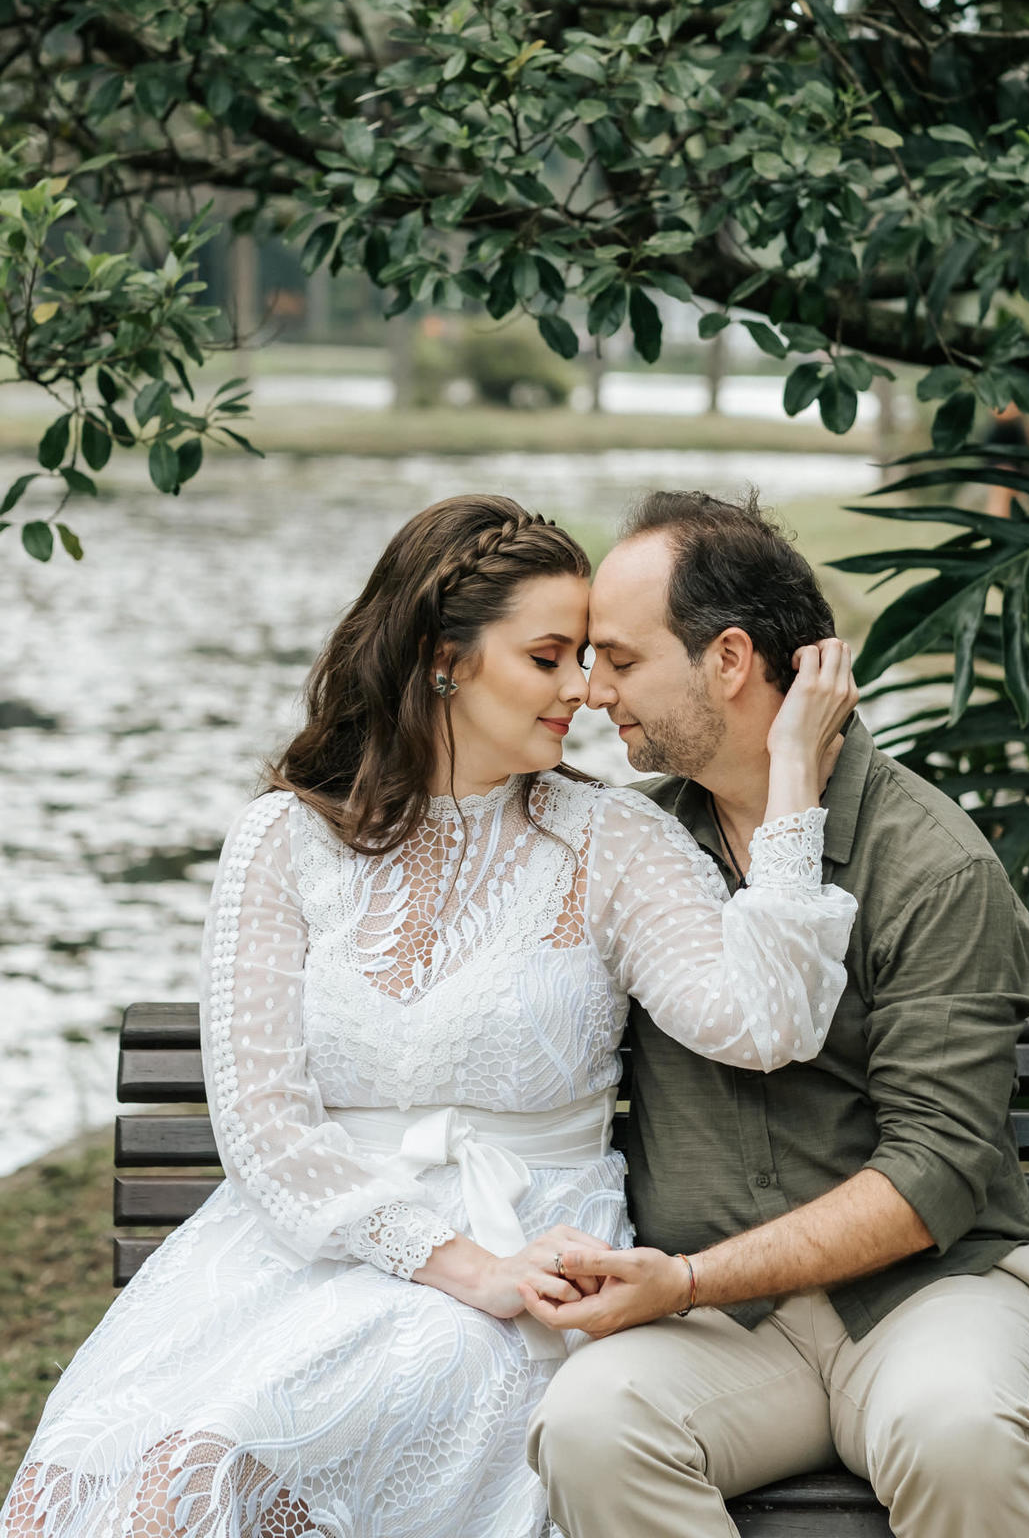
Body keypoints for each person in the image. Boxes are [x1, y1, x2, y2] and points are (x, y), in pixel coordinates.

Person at [1, 493, 858, 1538]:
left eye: (588, 659)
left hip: (528, 1259)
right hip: (300, 1250)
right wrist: (458, 1265)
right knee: (166, 1465)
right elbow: (266, 1126)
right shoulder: (282, 842)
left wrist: (792, 792)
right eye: (548, 658)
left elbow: (768, 1023)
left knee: (281, 1443)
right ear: (443, 658)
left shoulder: (610, 845)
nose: (584, 692)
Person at [526, 489, 1029, 1538]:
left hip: (931, 1299)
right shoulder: (629, 850)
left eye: (623, 662)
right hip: (727, 1334)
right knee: (590, 1427)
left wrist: (685, 1279)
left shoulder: (930, 862)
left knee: (959, 1429)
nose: (593, 693)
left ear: (729, 661)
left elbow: (937, 1175)